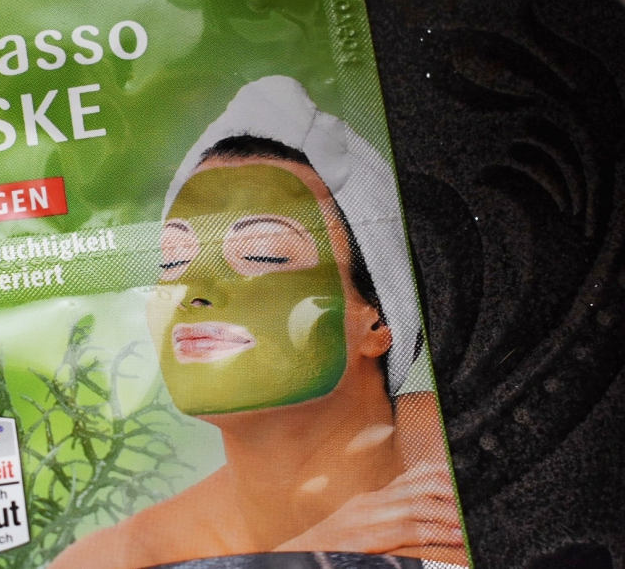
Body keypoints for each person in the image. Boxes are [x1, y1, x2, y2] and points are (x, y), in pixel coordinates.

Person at [51, 77, 468, 569]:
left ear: (376, 320)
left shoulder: (466, 445)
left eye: (263, 254)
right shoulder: (118, 557)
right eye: (172, 261)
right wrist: (301, 559)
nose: (191, 290)